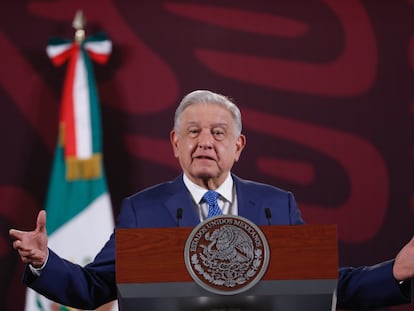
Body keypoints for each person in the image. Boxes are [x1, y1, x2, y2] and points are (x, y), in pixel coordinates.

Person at [10, 90, 414, 310]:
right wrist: (47, 262)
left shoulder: (277, 205)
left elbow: (327, 286)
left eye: (218, 133)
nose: (205, 141)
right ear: (175, 143)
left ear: (238, 146)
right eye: (193, 132)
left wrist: (394, 271)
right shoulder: (143, 210)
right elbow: (95, 287)